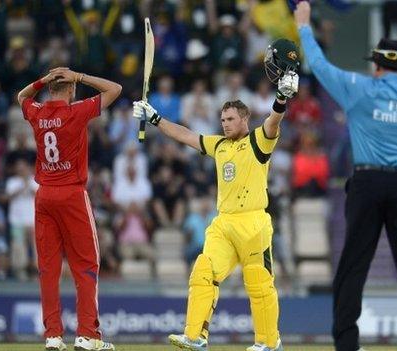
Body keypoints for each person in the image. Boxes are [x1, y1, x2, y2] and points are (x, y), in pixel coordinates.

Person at [294, 1, 397, 350]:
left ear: (378, 67)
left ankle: (347, 344)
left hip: (368, 184)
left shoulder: (359, 88)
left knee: (353, 265)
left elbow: (320, 66)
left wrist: (305, 26)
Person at [131, 39, 300, 351]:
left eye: (230, 120)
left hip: (253, 224)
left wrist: (281, 98)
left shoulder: (258, 142)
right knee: (203, 270)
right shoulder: (219, 145)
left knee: (259, 284)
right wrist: (154, 118)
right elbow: (184, 135)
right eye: (222, 120)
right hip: (224, 223)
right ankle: (195, 336)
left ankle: (268, 342)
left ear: (244, 119)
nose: (224, 125)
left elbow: (274, 122)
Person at [17, 67, 121, 351]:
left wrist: (42, 80)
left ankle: (52, 336)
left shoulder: (37, 112)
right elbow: (115, 89)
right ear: (71, 90)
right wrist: (80, 75)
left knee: (48, 269)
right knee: (86, 265)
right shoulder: (76, 112)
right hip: (72, 194)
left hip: (44, 196)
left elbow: (20, 96)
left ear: (50, 89)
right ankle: (87, 335)